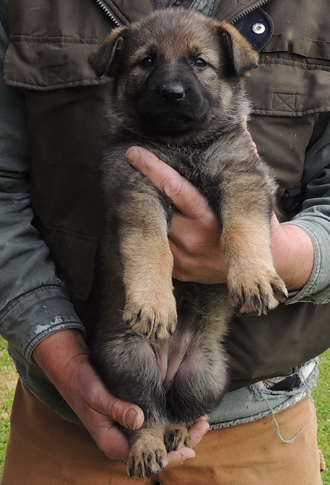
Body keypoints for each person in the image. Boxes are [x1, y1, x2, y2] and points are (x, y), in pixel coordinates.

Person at [0, 0, 330, 483]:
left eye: (199, 63)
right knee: (129, 345)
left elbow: (246, 191)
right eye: (148, 62)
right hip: (70, 405)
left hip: (260, 418)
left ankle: (170, 422)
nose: (173, 84)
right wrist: (61, 359)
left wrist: (284, 257)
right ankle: (149, 427)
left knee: (241, 190)